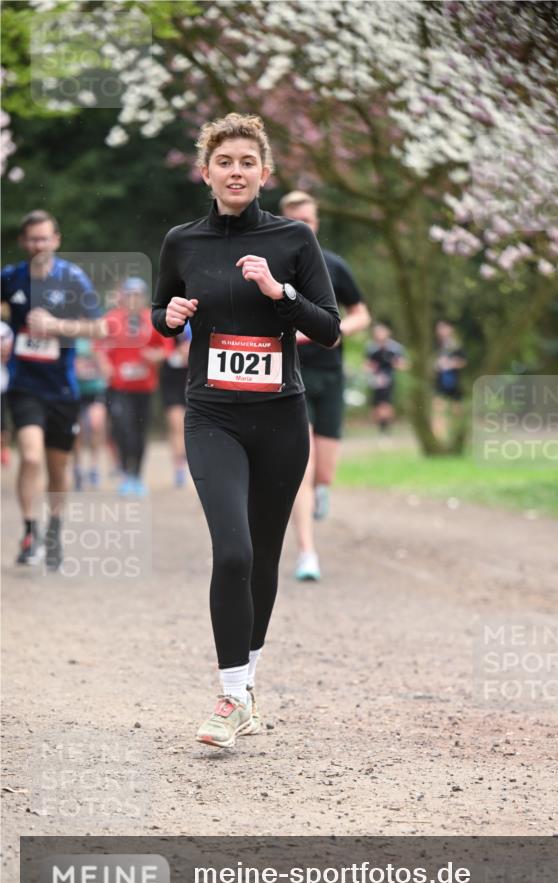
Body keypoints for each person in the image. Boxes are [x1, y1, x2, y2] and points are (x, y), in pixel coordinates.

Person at [151, 113, 340, 749]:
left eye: (247, 163)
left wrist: (277, 289)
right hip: (212, 416)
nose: (236, 172)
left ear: (265, 173)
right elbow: (161, 310)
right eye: (224, 162)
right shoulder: (182, 241)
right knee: (231, 551)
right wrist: (169, 316)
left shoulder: (294, 238)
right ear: (206, 172)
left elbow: (328, 328)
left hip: (281, 419)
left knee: (260, 553)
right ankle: (231, 695)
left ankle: (249, 679)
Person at [1, 210, 106, 568]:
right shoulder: (11, 277)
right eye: (32, 239)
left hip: (62, 387)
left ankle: (54, 531)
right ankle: (30, 532)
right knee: (30, 456)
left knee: (57, 467)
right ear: (22, 242)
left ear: (56, 240)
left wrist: (57, 325)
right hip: (23, 384)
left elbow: (100, 328)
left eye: (44, 238)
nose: (38, 245)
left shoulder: (73, 279)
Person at [279, 191, 370, 582]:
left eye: (310, 221)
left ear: (318, 222)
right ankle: (307, 553)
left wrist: (331, 331)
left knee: (325, 470)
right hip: (291, 376)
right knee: (304, 464)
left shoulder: (335, 266)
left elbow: (361, 314)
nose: (306, 227)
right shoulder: (274, 267)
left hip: (330, 376)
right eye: (297, 221)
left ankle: (321, 492)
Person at [103, 277, 166, 497]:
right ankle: (125, 468)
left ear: (143, 297)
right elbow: (98, 346)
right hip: (118, 386)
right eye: (129, 294)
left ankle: (136, 476)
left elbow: (165, 348)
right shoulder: (112, 319)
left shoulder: (151, 319)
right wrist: (105, 365)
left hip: (144, 386)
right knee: (122, 428)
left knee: (139, 433)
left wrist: (155, 356)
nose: (133, 299)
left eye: (137, 295)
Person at [72, 334, 108, 490]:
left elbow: (107, 370)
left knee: (96, 425)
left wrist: (98, 359)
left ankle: (94, 466)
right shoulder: (70, 340)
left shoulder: (99, 341)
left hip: (95, 391)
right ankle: (78, 467)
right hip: (75, 392)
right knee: (77, 431)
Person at [159, 322, 191, 487]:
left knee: (188, 425)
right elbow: (161, 347)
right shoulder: (166, 314)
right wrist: (174, 352)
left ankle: (187, 459)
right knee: (176, 423)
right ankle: (179, 466)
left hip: (192, 377)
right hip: (172, 379)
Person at [364, 321, 407, 433]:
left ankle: (386, 430)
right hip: (376, 381)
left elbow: (403, 365)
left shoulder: (395, 348)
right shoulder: (371, 348)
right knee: (376, 407)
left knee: (386, 405)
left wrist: (394, 364)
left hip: (389, 380)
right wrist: (371, 369)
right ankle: (380, 429)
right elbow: (367, 365)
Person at [433, 319, 467, 437]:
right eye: (439, 328)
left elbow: (463, 361)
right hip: (440, 380)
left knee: (457, 408)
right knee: (438, 407)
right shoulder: (436, 345)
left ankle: (458, 432)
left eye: (444, 328)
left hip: (454, 380)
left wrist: (450, 363)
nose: (441, 331)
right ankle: (439, 434)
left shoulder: (456, 345)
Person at [0, 320, 14, 466]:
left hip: (2, 385)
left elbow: (7, 356)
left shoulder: (5, 330)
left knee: (2, 425)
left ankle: (3, 448)